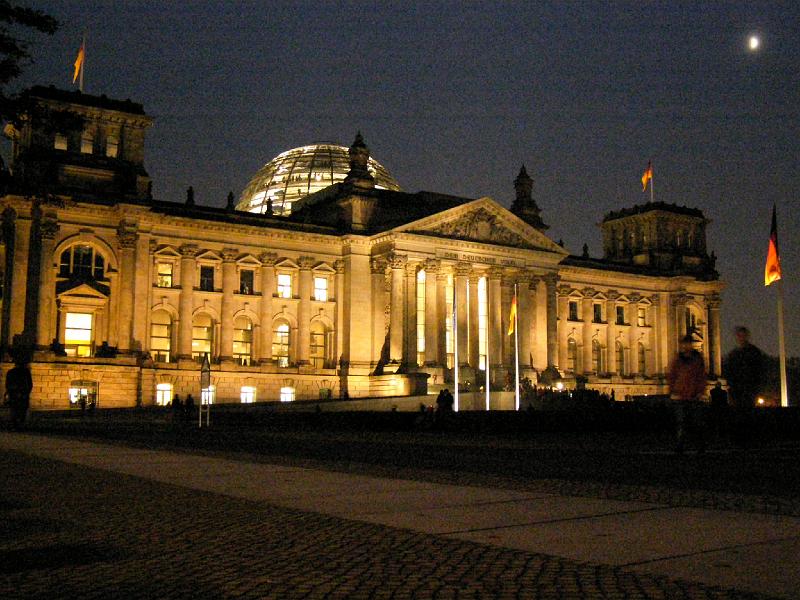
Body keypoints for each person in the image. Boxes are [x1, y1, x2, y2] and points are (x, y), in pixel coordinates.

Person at [667, 335, 707, 453]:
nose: (686, 346)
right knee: (681, 423)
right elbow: (672, 375)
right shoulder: (678, 359)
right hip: (680, 394)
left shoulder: (697, 358)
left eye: (688, 344)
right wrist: (672, 390)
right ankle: (679, 446)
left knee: (696, 423)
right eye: (684, 344)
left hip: (694, 394)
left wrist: (700, 391)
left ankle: (700, 446)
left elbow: (702, 376)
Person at [724, 326, 764, 446]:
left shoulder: (753, 352)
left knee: (748, 415)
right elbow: (728, 371)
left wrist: (757, 386)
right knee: (738, 416)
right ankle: (739, 440)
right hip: (737, 390)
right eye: (739, 336)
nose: (740, 338)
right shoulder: (734, 354)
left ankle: (748, 439)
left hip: (749, 389)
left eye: (742, 335)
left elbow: (759, 370)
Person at [5, 354, 33, 430]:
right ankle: (20, 424)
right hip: (23, 394)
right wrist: (26, 393)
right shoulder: (26, 372)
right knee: (22, 410)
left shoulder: (10, 372)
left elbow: (7, 384)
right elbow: (30, 384)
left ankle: (14, 425)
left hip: (14, 394)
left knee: (14, 410)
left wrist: (9, 392)